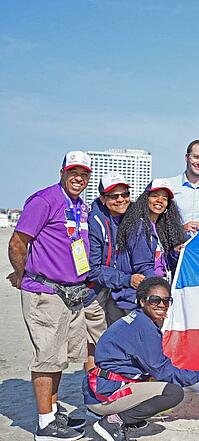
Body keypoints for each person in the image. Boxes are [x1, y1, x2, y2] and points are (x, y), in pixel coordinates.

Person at [7, 151, 92, 441]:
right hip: (46, 292)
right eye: (73, 172)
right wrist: (22, 275)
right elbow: (18, 242)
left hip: (72, 294)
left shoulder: (80, 205)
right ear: (62, 172)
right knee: (46, 358)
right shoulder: (45, 200)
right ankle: (45, 425)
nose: (78, 177)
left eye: (84, 173)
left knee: (59, 359)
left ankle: (53, 413)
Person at [84, 277, 199, 441]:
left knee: (154, 380)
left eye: (167, 300)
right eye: (155, 299)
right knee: (173, 393)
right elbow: (164, 372)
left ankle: (128, 417)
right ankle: (113, 421)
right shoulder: (144, 327)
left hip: (99, 388)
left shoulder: (137, 319)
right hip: (104, 395)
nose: (162, 304)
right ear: (142, 301)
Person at [86, 172, 144, 372]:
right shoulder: (95, 220)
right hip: (95, 290)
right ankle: (97, 391)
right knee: (97, 346)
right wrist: (128, 279)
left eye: (124, 194)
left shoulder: (131, 216)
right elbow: (92, 269)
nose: (120, 199)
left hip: (116, 288)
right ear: (103, 198)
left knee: (118, 341)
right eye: (113, 196)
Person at [111, 179, 186, 324]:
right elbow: (144, 266)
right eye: (155, 196)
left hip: (155, 291)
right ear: (146, 199)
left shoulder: (160, 227)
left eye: (164, 198)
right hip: (144, 296)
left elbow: (161, 262)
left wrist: (175, 253)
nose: (159, 200)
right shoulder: (139, 225)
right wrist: (163, 294)